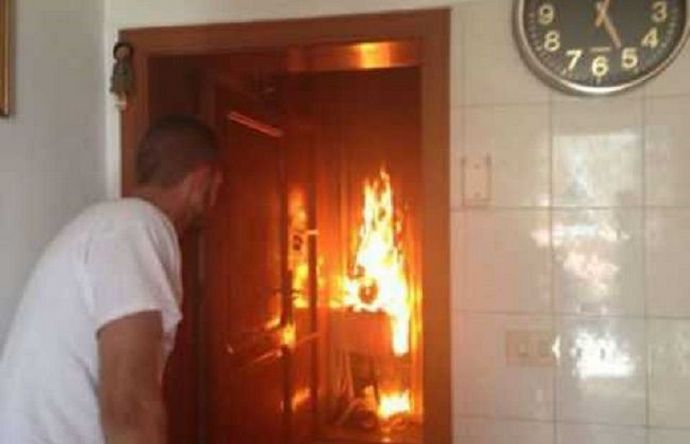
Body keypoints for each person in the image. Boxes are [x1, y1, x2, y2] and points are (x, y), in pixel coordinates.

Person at [0, 115, 223, 444]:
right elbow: (130, 409)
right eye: (217, 188)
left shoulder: (113, 225)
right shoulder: (136, 228)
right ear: (201, 184)